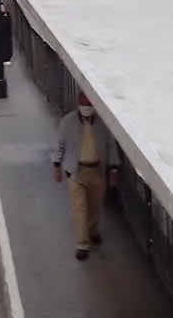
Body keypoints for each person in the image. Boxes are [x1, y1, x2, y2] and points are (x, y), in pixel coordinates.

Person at [52, 91, 119, 261]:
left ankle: (92, 228)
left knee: (95, 205)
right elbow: (59, 144)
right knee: (79, 208)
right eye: (84, 106)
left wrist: (113, 168)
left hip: (97, 170)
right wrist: (57, 165)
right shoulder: (68, 122)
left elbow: (111, 146)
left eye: (89, 106)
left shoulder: (103, 124)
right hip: (76, 172)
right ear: (78, 105)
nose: (86, 109)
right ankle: (82, 244)